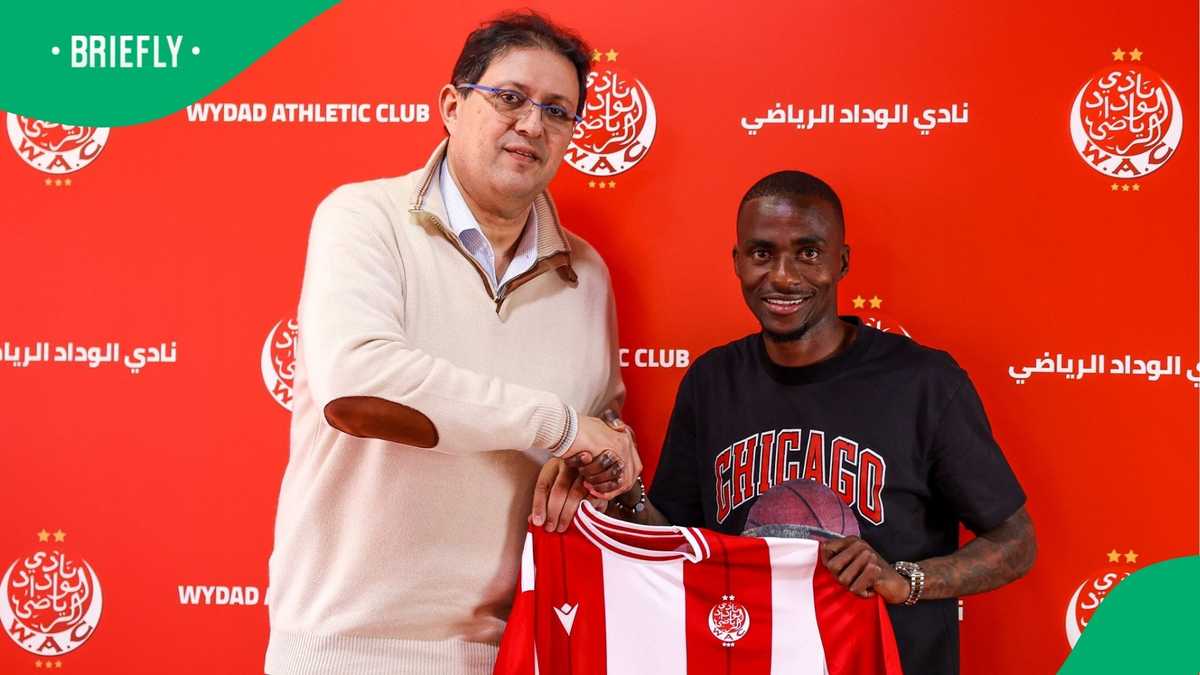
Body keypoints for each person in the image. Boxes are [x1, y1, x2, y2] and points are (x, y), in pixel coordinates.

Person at [265, 12, 639, 675]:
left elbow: (598, 419)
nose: (532, 125)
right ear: (451, 106)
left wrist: (603, 455)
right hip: (345, 645)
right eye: (511, 97)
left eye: (557, 111)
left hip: (521, 645)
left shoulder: (586, 274)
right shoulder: (363, 219)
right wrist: (560, 426)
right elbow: (358, 382)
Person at [590, 171, 1037, 675]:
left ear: (840, 261)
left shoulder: (924, 383)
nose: (783, 276)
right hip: (750, 659)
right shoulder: (712, 381)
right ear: (737, 261)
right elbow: (677, 541)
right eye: (762, 253)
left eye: (808, 253)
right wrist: (626, 493)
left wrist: (905, 579)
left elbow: (1016, 542)